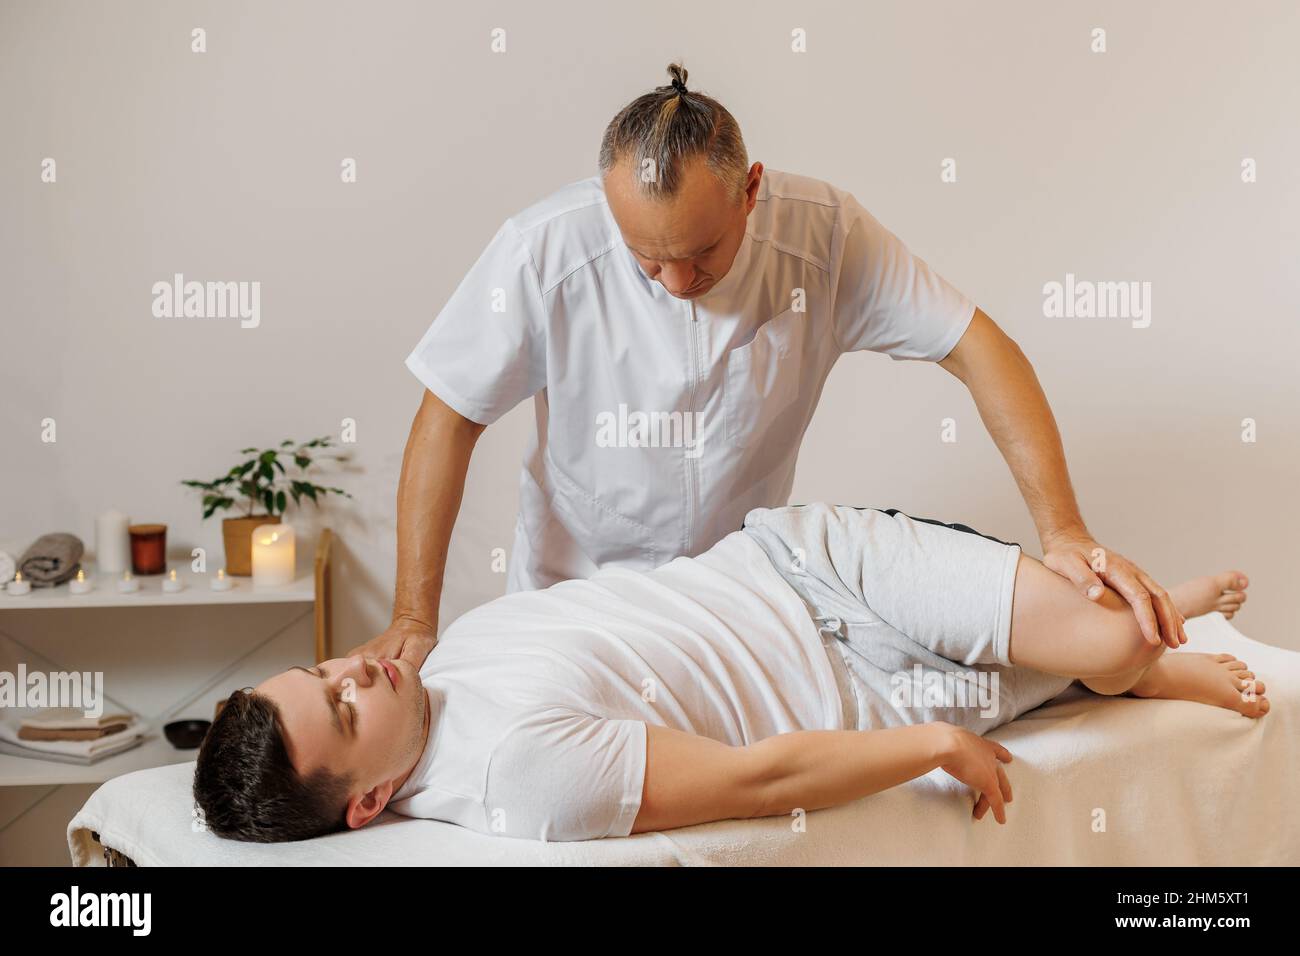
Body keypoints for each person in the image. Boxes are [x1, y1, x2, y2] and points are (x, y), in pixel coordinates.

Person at [352, 62, 1188, 676]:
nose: (677, 282)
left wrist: (1064, 530)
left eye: (701, 252)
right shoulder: (545, 249)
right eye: (647, 259)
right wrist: (414, 617)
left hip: (739, 596)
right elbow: (448, 414)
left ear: (751, 189)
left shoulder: (824, 233)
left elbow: (979, 346)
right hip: (573, 599)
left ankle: (1123, 675)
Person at [193, 504, 1263, 843]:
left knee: (1108, 637)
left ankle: (1130, 652)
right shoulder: (520, 774)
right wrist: (932, 745)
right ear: (369, 799)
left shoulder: (446, 663)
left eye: (323, 668)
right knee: (1119, 648)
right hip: (874, 684)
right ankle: (1141, 664)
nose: (355, 672)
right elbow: (756, 779)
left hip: (807, 555)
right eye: (341, 706)